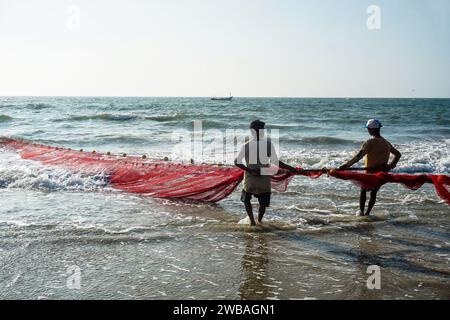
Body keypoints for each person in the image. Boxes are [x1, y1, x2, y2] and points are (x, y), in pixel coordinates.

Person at [234, 120, 299, 226]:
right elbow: (275, 162)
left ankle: (252, 222)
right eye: (262, 129)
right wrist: (291, 168)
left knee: (246, 199)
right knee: (263, 202)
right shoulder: (268, 144)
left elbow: (236, 162)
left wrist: (250, 170)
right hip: (264, 176)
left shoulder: (246, 145)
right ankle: (259, 220)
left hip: (250, 177)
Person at [338, 119, 402, 216]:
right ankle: (368, 213)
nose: (368, 131)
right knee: (374, 193)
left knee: (363, 190)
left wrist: (345, 166)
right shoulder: (386, 143)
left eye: (368, 129)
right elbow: (398, 154)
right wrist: (390, 166)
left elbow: (358, 156)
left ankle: (361, 212)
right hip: (381, 174)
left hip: (370, 173)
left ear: (371, 130)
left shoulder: (370, 142)